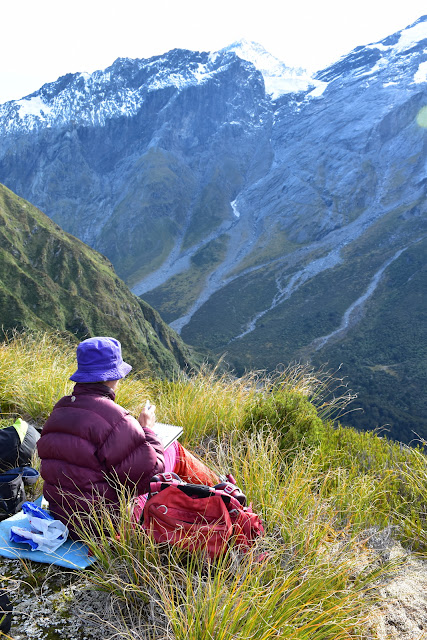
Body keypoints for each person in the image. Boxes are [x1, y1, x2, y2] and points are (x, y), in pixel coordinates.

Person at [37, 336, 218, 539]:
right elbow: (149, 476)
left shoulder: (60, 409)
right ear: (113, 376)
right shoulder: (116, 419)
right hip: (106, 527)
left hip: (63, 519)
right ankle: (222, 493)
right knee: (174, 449)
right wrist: (147, 430)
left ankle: (216, 493)